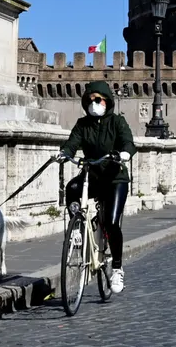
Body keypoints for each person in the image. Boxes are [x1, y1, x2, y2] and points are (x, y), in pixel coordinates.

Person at [57, 81, 134, 294]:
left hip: (115, 178)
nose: (94, 104)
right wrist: (65, 153)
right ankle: (77, 228)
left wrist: (125, 153)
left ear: (107, 100)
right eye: (90, 100)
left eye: (98, 99)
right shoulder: (82, 124)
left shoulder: (117, 122)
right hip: (92, 176)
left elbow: (128, 142)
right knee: (72, 188)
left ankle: (117, 268)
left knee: (111, 222)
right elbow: (73, 143)